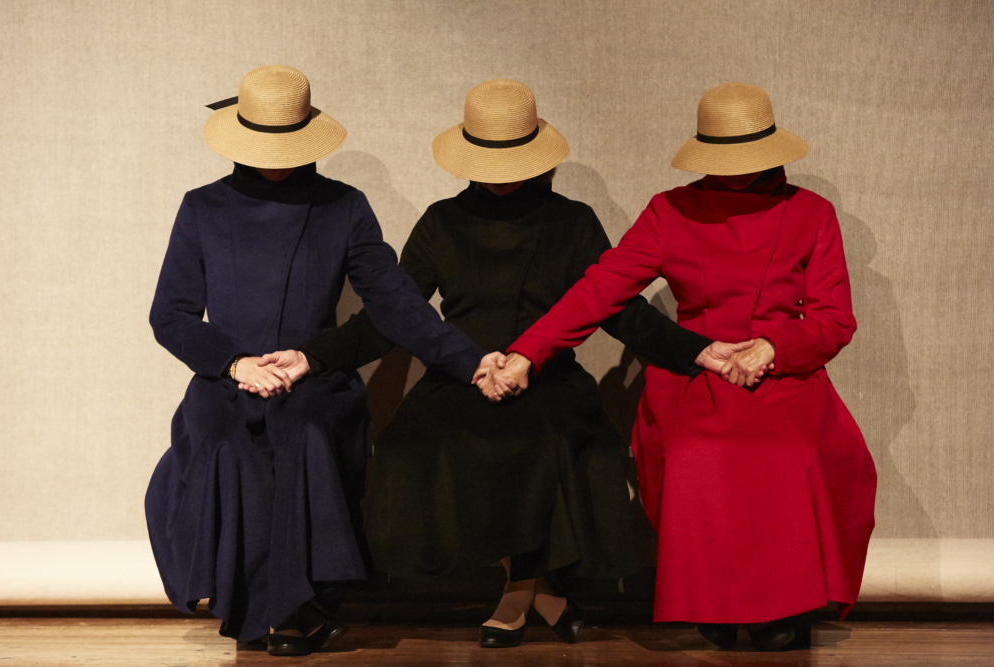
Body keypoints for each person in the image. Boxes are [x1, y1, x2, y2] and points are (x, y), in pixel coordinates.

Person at [261, 79, 748, 649]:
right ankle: (543, 594)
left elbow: (620, 310)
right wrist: (314, 357)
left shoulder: (573, 221)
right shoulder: (442, 221)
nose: (501, 170)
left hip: (549, 377)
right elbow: (392, 314)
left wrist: (695, 350)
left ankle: (520, 592)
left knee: (543, 441)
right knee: (411, 447)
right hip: (460, 375)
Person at [492, 83, 877, 651]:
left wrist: (774, 346)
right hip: (696, 373)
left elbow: (833, 318)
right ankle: (714, 600)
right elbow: (600, 287)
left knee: (793, 452)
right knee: (698, 452)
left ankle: (787, 605)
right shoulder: (669, 210)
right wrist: (530, 349)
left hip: (784, 373)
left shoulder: (812, 214)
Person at [145, 65, 503, 657]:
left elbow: (395, 302)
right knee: (229, 443)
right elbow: (171, 316)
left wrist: (469, 362)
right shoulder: (202, 207)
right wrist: (236, 365)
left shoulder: (343, 206)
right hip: (226, 378)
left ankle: (283, 614)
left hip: (312, 377)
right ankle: (280, 610)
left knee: (302, 432)